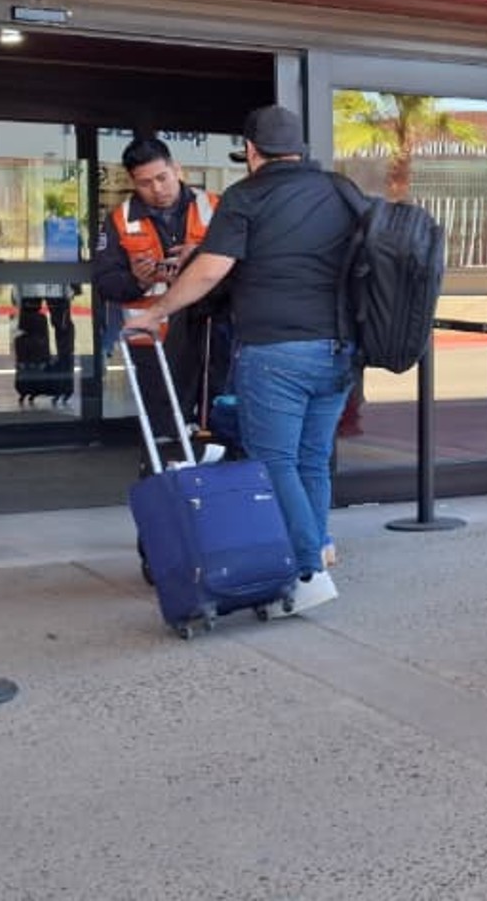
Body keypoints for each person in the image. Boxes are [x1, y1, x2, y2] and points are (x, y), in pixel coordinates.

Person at [122, 106, 353, 612]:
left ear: (251, 151)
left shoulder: (247, 196)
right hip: (338, 351)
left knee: (275, 462)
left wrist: (156, 311)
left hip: (275, 351)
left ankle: (308, 571)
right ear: (299, 149)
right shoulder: (340, 191)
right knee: (312, 458)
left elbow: (210, 271)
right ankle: (318, 546)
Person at [93, 136, 225, 422]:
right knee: (164, 427)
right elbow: (105, 283)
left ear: (177, 169)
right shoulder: (119, 220)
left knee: (219, 421)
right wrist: (138, 281)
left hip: (212, 335)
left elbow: (242, 265)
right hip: (154, 341)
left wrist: (198, 255)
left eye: (162, 178)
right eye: (145, 183)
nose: (156, 189)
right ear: (132, 181)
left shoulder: (216, 207)